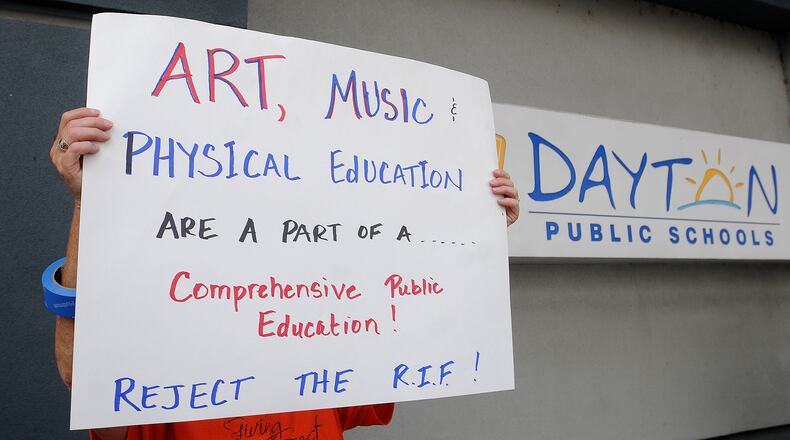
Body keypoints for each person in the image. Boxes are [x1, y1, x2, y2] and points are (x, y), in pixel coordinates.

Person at [49, 107, 521, 440]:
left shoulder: (318, 334)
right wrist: (88, 202)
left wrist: (471, 226)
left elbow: (411, 330)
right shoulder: (162, 355)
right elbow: (82, 376)